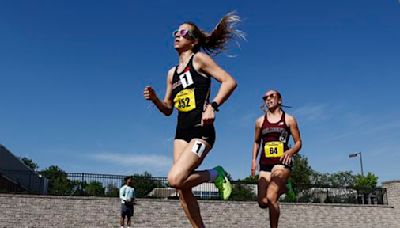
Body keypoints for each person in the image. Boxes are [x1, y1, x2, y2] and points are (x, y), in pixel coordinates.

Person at [144, 12, 243, 228]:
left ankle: (216, 173)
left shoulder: (199, 59)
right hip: (181, 133)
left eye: (183, 32)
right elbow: (168, 109)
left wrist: (213, 106)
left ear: (194, 40)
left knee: (175, 179)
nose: (177, 35)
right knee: (182, 189)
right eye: (176, 32)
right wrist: (155, 100)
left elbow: (229, 82)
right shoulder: (172, 74)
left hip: (202, 130)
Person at [251, 90, 302, 228]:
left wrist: (290, 152)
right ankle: (285, 188)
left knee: (271, 196)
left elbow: (298, 143)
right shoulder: (260, 121)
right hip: (265, 164)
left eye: (271, 96)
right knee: (263, 202)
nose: (268, 99)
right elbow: (256, 142)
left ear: (279, 100)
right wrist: (253, 160)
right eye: (265, 97)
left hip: (282, 163)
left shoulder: (289, 119)